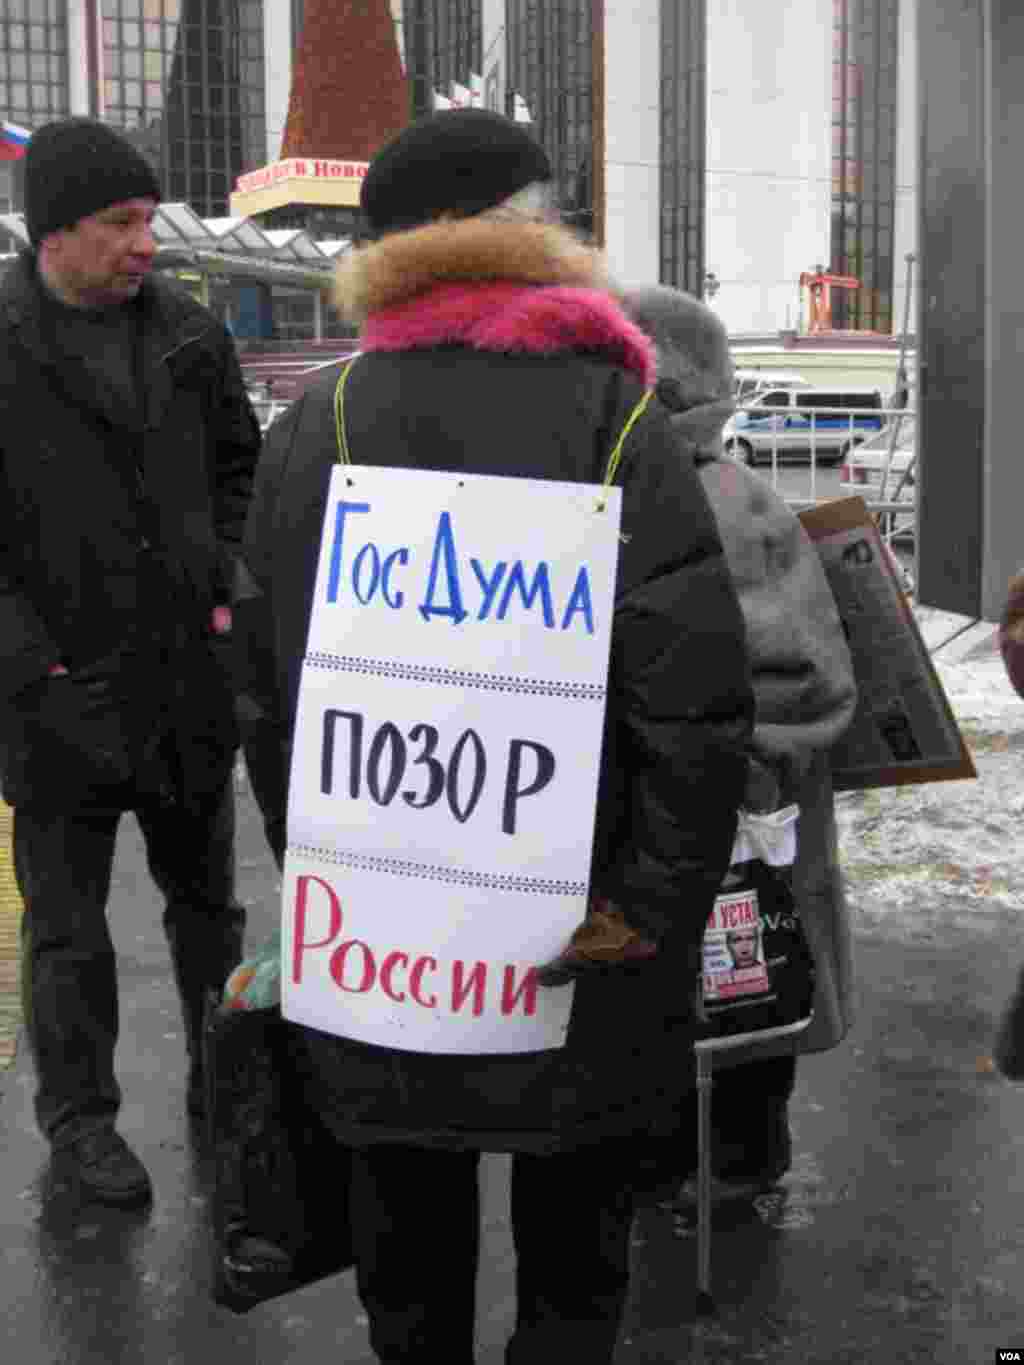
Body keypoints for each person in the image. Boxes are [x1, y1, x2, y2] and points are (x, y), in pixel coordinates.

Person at [236, 108, 753, 1363]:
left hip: (387, 941)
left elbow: (269, 692)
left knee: (406, 1254)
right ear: (497, 226)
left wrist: (330, 879)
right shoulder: (615, 415)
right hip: (581, 936)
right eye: (544, 202)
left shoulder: (321, 421)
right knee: (575, 1261)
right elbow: (689, 704)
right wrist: (650, 909)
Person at [0, 118, 261, 1207]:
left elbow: (244, 474)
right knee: (67, 935)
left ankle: (228, 1087)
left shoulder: (192, 337)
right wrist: (34, 670)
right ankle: (81, 1123)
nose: (144, 242)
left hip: (185, 684)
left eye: (148, 219)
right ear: (55, 230)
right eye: (119, 222)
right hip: (53, 695)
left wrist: (229, 594)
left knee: (210, 912)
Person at [622, 283, 858, 1201]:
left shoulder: (724, 501)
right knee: (714, 990)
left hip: (737, 813)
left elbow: (798, 677)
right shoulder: (664, 490)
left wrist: (736, 769)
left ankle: (741, 1164)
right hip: (687, 810)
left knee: (750, 981)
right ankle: (708, 1158)